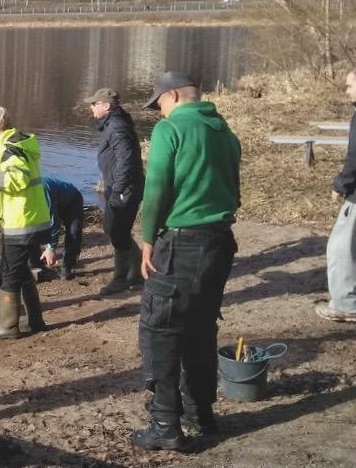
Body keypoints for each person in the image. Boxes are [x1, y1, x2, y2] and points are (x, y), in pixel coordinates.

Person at [134, 72, 241, 450]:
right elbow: (234, 189)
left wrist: (147, 239)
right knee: (199, 329)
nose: (158, 112)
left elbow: (158, 185)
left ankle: (165, 424)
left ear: (174, 96)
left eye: (159, 103)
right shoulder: (225, 133)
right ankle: (201, 414)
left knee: (159, 332)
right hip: (220, 243)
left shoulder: (171, 130)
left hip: (181, 243)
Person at [0, 106, 52, 339]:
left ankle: (8, 326)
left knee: (9, 273)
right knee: (22, 270)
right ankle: (35, 320)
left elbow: (18, 178)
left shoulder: (9, 150)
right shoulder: (20, 144)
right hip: (33, 218)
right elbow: (16, 173)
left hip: (20, 222)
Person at [318, 63, 356, 324]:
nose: (347, 91)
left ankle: (347, 305)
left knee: (343, 249)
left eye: (349, 85)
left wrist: (341, 184)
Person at [84, 87, 144, 296]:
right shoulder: (113, 123)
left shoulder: (117, 126)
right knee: (116, 230)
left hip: (124, 189)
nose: (91, 106)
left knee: (115, 230)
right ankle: (136, 271)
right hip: (118, 186)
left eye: (95, 103)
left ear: (107, 106)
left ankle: (122, 278)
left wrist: (118, 191)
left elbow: (126, 161)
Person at [37, 176, 84, 281]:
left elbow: (53, 221)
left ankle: (68, 266)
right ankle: (38, 264)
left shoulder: (41, 190)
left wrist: (51, 248)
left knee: (73, 233)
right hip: (55, 198)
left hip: (72, 199)